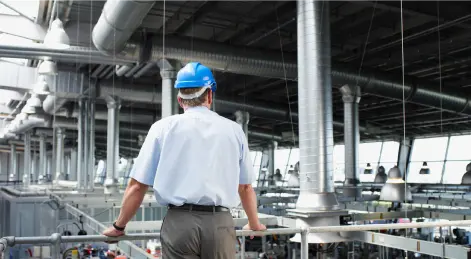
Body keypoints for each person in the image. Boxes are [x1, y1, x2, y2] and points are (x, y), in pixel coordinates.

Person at [102, 62, 266, 258]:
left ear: (180, 99)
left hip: (180, 224)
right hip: (220, 224)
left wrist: (119, 226)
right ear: (210, 95)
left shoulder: (162, 128)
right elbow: (245, 187)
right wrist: (254, 223)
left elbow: (137, 186)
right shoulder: (234, 130)